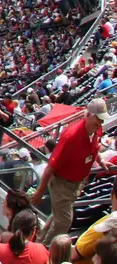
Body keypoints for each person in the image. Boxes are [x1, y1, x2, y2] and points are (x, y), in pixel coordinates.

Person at [35, 98, 111, 241]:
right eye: (98, 119)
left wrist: (101, 161)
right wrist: (39, 191)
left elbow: (94, 149)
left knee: (59, 215)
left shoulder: (97, 130)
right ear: (88, 115)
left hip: (76, 183)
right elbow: (50, 167)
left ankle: (40, 239)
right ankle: (45, 249)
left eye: (102, 120)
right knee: (64, 221)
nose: (100, 123)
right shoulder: (71, 137)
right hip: (62, 184)